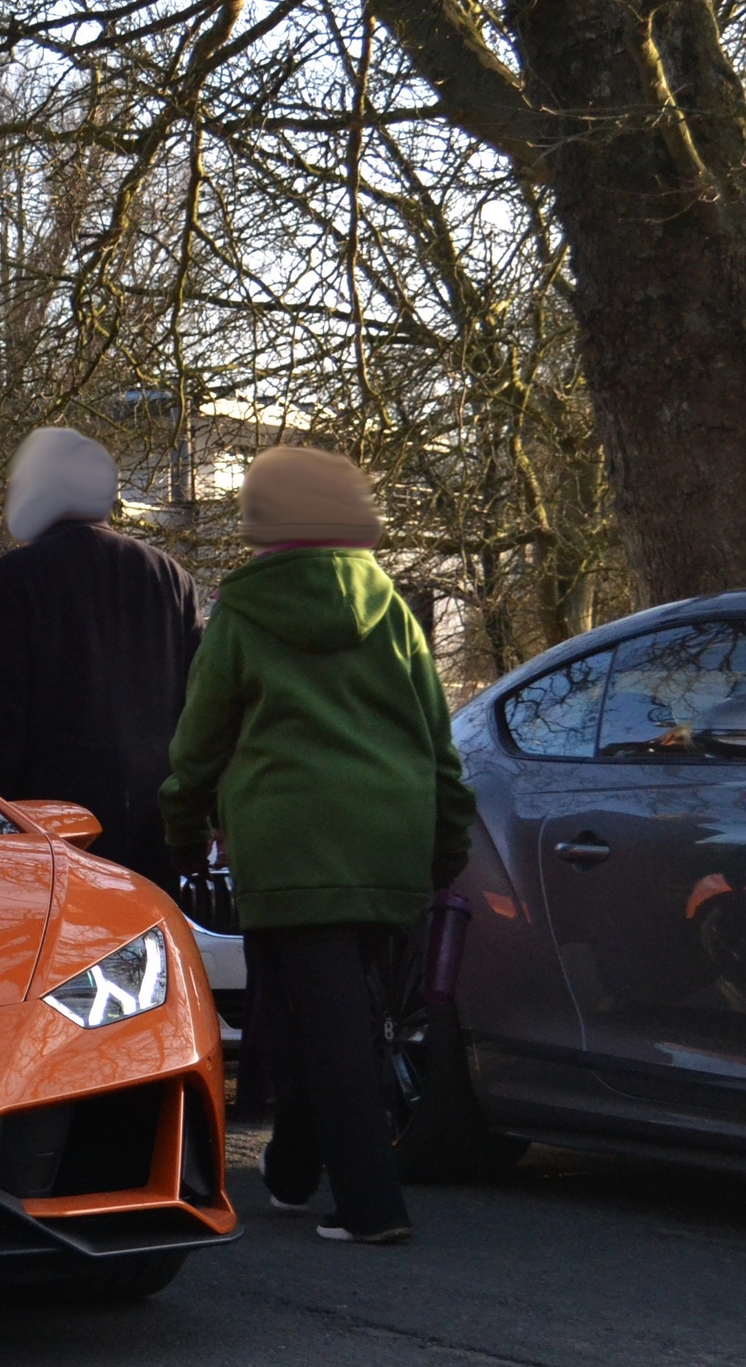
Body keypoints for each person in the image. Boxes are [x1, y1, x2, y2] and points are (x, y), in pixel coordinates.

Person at [159, 446, 474, 1245]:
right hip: (392, 831)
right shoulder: (394, 609)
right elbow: (435, 734)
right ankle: (294, 1169)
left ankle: (372, 1205)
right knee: (327, 1017)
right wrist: (447, 834)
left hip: (290, 841)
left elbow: (201, 737)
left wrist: (184, 827)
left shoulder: (244, 612)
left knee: (324, 1025)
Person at [0, 427, 203, 892]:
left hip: (57, 831)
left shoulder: (10, 582)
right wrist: (195, 815)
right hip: (156, 825)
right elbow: (197, 711)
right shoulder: (172, 579)